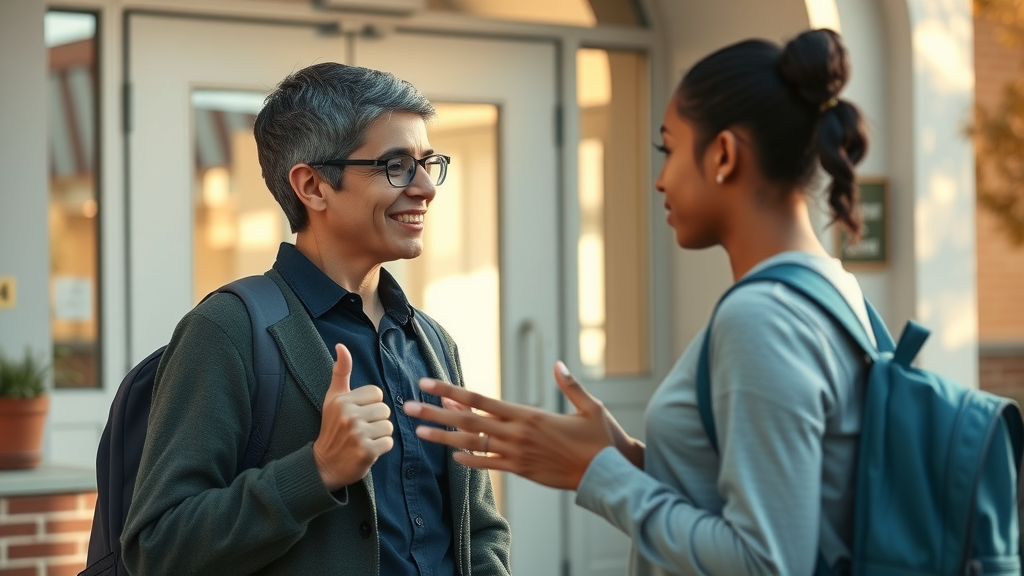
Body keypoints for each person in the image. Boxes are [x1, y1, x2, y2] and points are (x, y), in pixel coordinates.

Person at [403, 28, 871, 576]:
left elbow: (765, 562)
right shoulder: (832, 288)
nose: (658, 179)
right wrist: (629, 456)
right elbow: (784, 502)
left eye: (668, 149)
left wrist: (596, 471)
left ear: (723, 154)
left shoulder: (762, 318)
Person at [120, 62, 511, 576]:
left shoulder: (433, 342)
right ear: (312, 186)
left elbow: (477, 528)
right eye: (396, 165)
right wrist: (319, 468)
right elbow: (158, 547)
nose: (425, 187)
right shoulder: (227, 331)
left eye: (427, 162)